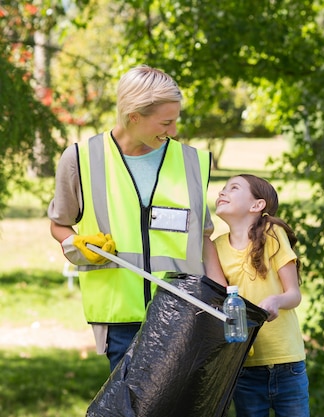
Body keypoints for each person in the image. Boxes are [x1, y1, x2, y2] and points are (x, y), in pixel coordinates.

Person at [48, 65, 227, 372]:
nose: (172, 131)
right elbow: (58, 223)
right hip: (120, 318)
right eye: (166, 122)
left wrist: (221, 301)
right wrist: (74, 242)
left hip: (183, 312)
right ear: (134, 116)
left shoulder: (189, 161)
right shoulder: (81, 158)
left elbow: (203, 238)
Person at [213, 174, 309, 417]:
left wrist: (276, 300)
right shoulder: (215, 246)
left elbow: (293, 295)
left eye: (233, 188)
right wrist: (203, 237)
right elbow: (219, 299)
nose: (223, 192)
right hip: (244, 366)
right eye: (223, 188)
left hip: (287, 362)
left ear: (257, 205)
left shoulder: (273, 234)